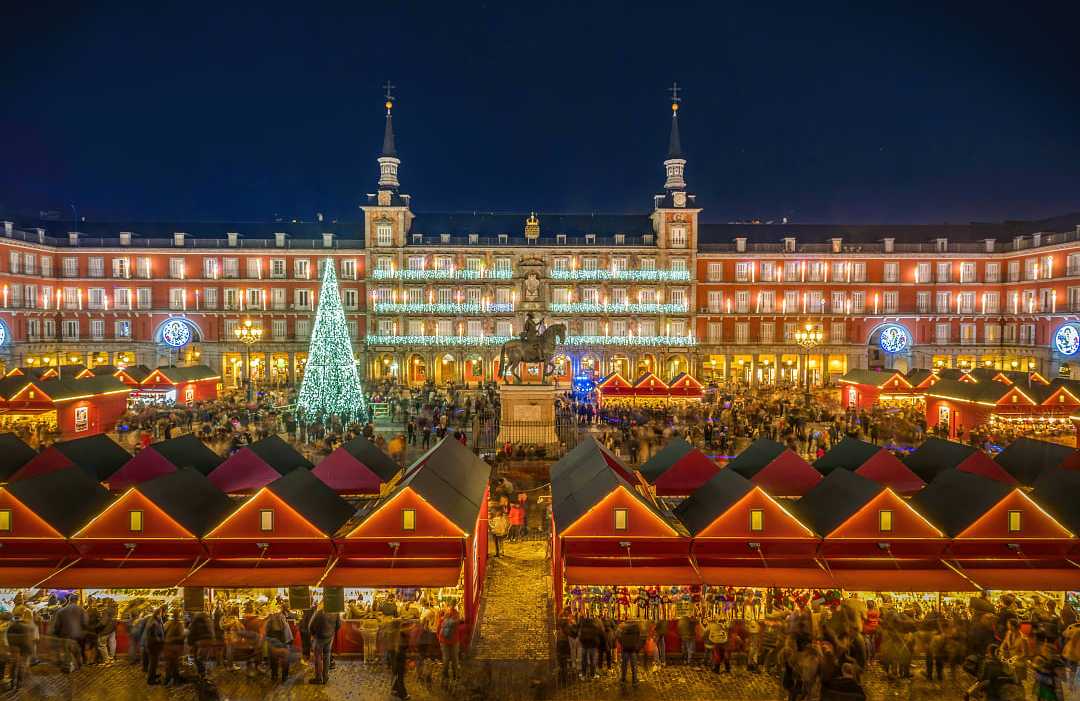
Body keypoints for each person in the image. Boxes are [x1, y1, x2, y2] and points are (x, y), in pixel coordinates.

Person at [52, 595, 88, 672]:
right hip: (78, 634)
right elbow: (85, 623)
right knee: (77, 650)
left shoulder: (61, 611)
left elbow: (57, 625)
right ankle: (79, 665)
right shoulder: (82, 610)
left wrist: (57, 633)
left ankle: (68, 666)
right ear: (77, 600)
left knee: (67, 651)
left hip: (65, 634)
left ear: (69, 600)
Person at [264, 604, 294, 683]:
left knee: (273, 659)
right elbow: (288, 634)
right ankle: (285, 676)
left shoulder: (270, 620)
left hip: (273, 643)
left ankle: (274, 675)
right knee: (285, 659)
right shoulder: (283, 619)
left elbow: (266, 632)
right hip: (284, 642)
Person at [308, 604, 336, 684]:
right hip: (329, 638)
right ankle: (325, 677)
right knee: (327, 657)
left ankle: (318, 678)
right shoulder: (335, 612)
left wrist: (314, 634)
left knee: (318, 658)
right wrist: (332, 633)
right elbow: (338, 625)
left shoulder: (319, 612)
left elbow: (310, 626)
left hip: (319, 638)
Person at [5, 613, 33, 691]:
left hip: (15, 648)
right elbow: (28, 640)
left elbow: (8, 639)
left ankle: (12, 684)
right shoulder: (26, 627)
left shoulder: (10, 627)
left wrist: (12, 649)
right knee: (21, 667)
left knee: (14, 666)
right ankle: (19, 685)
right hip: (24, 649)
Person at [437, 602, 462, 684]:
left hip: (444, 640)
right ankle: (455, 676)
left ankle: (445, 675)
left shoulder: (442, 617)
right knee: (455, 659)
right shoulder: (457, 617)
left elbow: (438, 628)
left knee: (446, 658)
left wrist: (439, 638)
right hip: (454, 640)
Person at [186, 610, 215, 679]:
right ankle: (204, 673)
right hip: (209, 641)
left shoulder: (195, 622)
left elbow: (191, 633)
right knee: (203, 658)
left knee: (198, 658)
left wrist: (190, 643)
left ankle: (202, 674)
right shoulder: (207, 621)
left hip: (200, 642)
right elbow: (211, 632)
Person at [162, 609, 186, 686]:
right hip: (174, 646)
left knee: (169, 664)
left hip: (167, 645)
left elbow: (163, 631)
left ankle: (167, 680)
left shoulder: (168, 623)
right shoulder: (180, 624)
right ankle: (176, 680)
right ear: (178, 615)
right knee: (175, 663)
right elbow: (181, 636)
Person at [616, 618, 642, 686]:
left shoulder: (622, 626)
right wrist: (636, 645)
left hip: (625, 648)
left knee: (624, 665)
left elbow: (618, 636)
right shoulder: (636, 627)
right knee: (634, 665)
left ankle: (623, 679)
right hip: (633, 648)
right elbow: (639, 637)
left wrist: (622, 643)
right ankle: (634, 680)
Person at [144, 608, 165, 685]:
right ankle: (151, 680)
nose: (162, 614)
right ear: (158, 614)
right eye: (161, 613)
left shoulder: (154, 620)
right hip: (153, 646)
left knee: (153, 662)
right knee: (153, 663)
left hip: (152, 645)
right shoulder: (154, 623)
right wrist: (161, 641)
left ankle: (152, 675)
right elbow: (155, 636)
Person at [391, 625, 411, 700]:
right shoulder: (402, 640)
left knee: (399, 676)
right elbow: (401, 651)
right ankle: (403, 695)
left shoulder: (399, 637)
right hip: (399, 660)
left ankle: (394, 689)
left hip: (398, 660)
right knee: (400, 678)